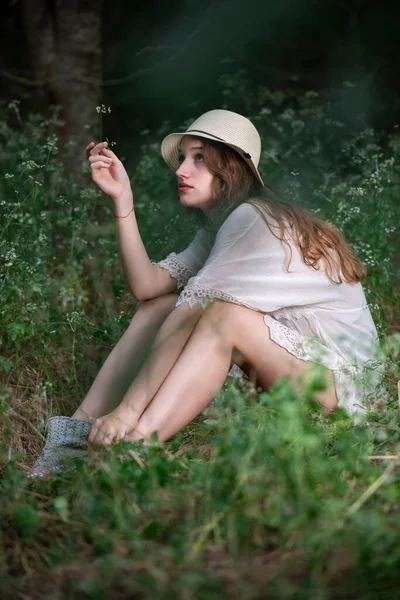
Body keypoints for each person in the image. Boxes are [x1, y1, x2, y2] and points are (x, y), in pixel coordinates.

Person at [29, 109, 384, 476]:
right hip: (292, 371)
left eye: (199, 158)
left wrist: (127, 411)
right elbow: (147, 288)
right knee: (161, 306)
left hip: (343, 389)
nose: (182, 170)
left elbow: (193, 311)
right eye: (183, 158)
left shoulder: (254, 220)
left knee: (221, 315)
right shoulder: (220, 231)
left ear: (230, 167)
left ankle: (133, 447)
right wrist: (123, 198)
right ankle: (73, 437)